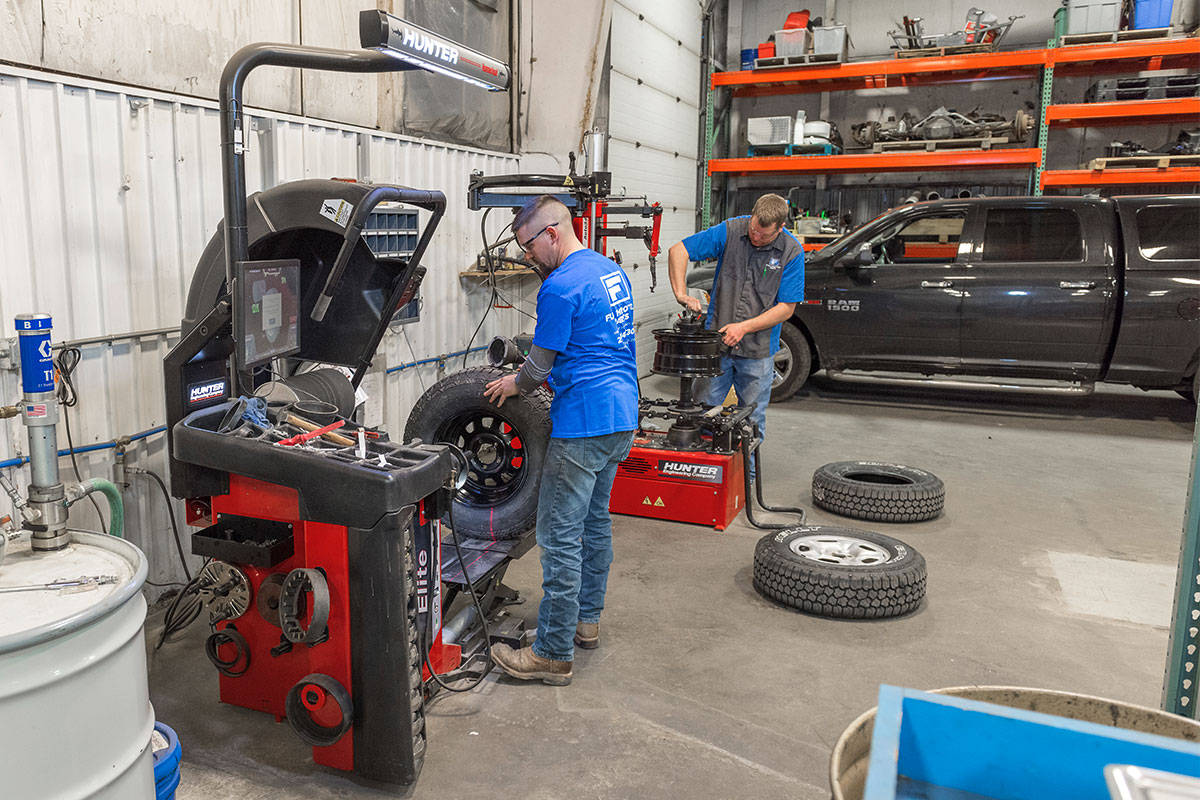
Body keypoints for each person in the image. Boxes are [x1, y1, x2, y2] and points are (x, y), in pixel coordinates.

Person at [483, 195, 638, 686]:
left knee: (559, 536)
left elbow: (536, 369)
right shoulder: (609, 271)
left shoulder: (560, 286)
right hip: (622, 414)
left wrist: (513, 384)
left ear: (551, 232)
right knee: (595, 523)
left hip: (584, 422)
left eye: (528, 245)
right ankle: (585, 622)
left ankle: (552, 653)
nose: (527, 255)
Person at [666, 193, 804, 445]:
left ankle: (745, 470)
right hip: (717, 347)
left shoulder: (791, 251)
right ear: (752, 215)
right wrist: (681, 294)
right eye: (753, 230)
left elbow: (786, 308)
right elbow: (678, 251)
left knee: (751, 422)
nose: (756, 237)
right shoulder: (731, 231)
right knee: (702, 414)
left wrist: (744, 327)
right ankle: (704, 467)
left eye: (764, 235)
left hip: (758, 351)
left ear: (780, 228)